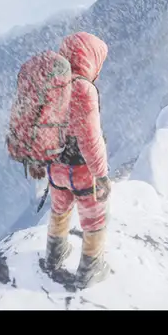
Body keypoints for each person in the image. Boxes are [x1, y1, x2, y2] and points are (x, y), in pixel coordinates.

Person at [33, 31, 112, 289]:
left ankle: (54, 254)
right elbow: (90, 140)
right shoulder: (83, 89)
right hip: (81, 172)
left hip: (55, 168)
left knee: (59, 210)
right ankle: (91, 268)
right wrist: (101, 175)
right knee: (94, 217)